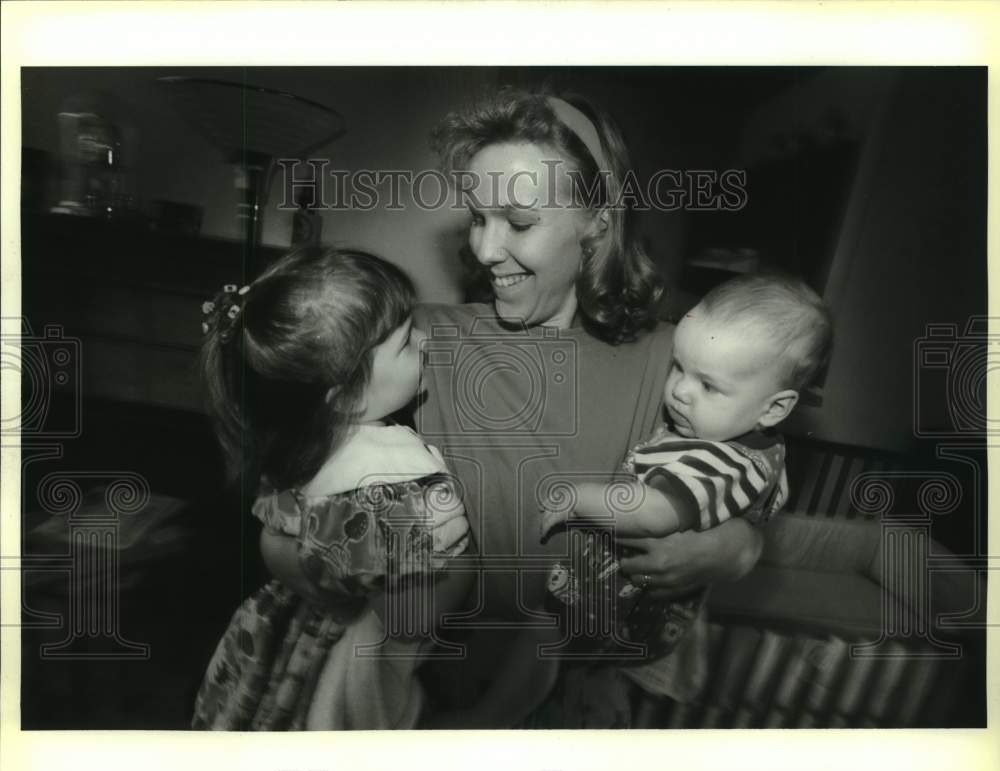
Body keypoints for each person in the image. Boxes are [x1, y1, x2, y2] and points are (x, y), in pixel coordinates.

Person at [407, 87, 767, 728]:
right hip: (418, 703)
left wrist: (738, 546)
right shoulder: (417, 340)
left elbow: (747, 482)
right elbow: (287, 499)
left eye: (518, 223)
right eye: (476, 217)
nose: (486, 250)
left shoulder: (675, 365)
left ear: (597, 220)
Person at [191, 247, 476, 730]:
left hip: (277, 639)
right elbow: (413, 614)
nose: (426, 342)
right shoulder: (387, 477)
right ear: (346, 394)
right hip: (343, 671)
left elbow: (287, 541)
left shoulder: (303, 443)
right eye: (407, 342)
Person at [539, 274, 833, 683]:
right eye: (678, 368)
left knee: (535, 664)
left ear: (774, 409)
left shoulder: (727, 461)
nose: (680, 391)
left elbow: (654, 513)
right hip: (613, 605)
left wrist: (573, 496)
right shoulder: (744, 442)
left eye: (709, 386)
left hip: (618, 613)